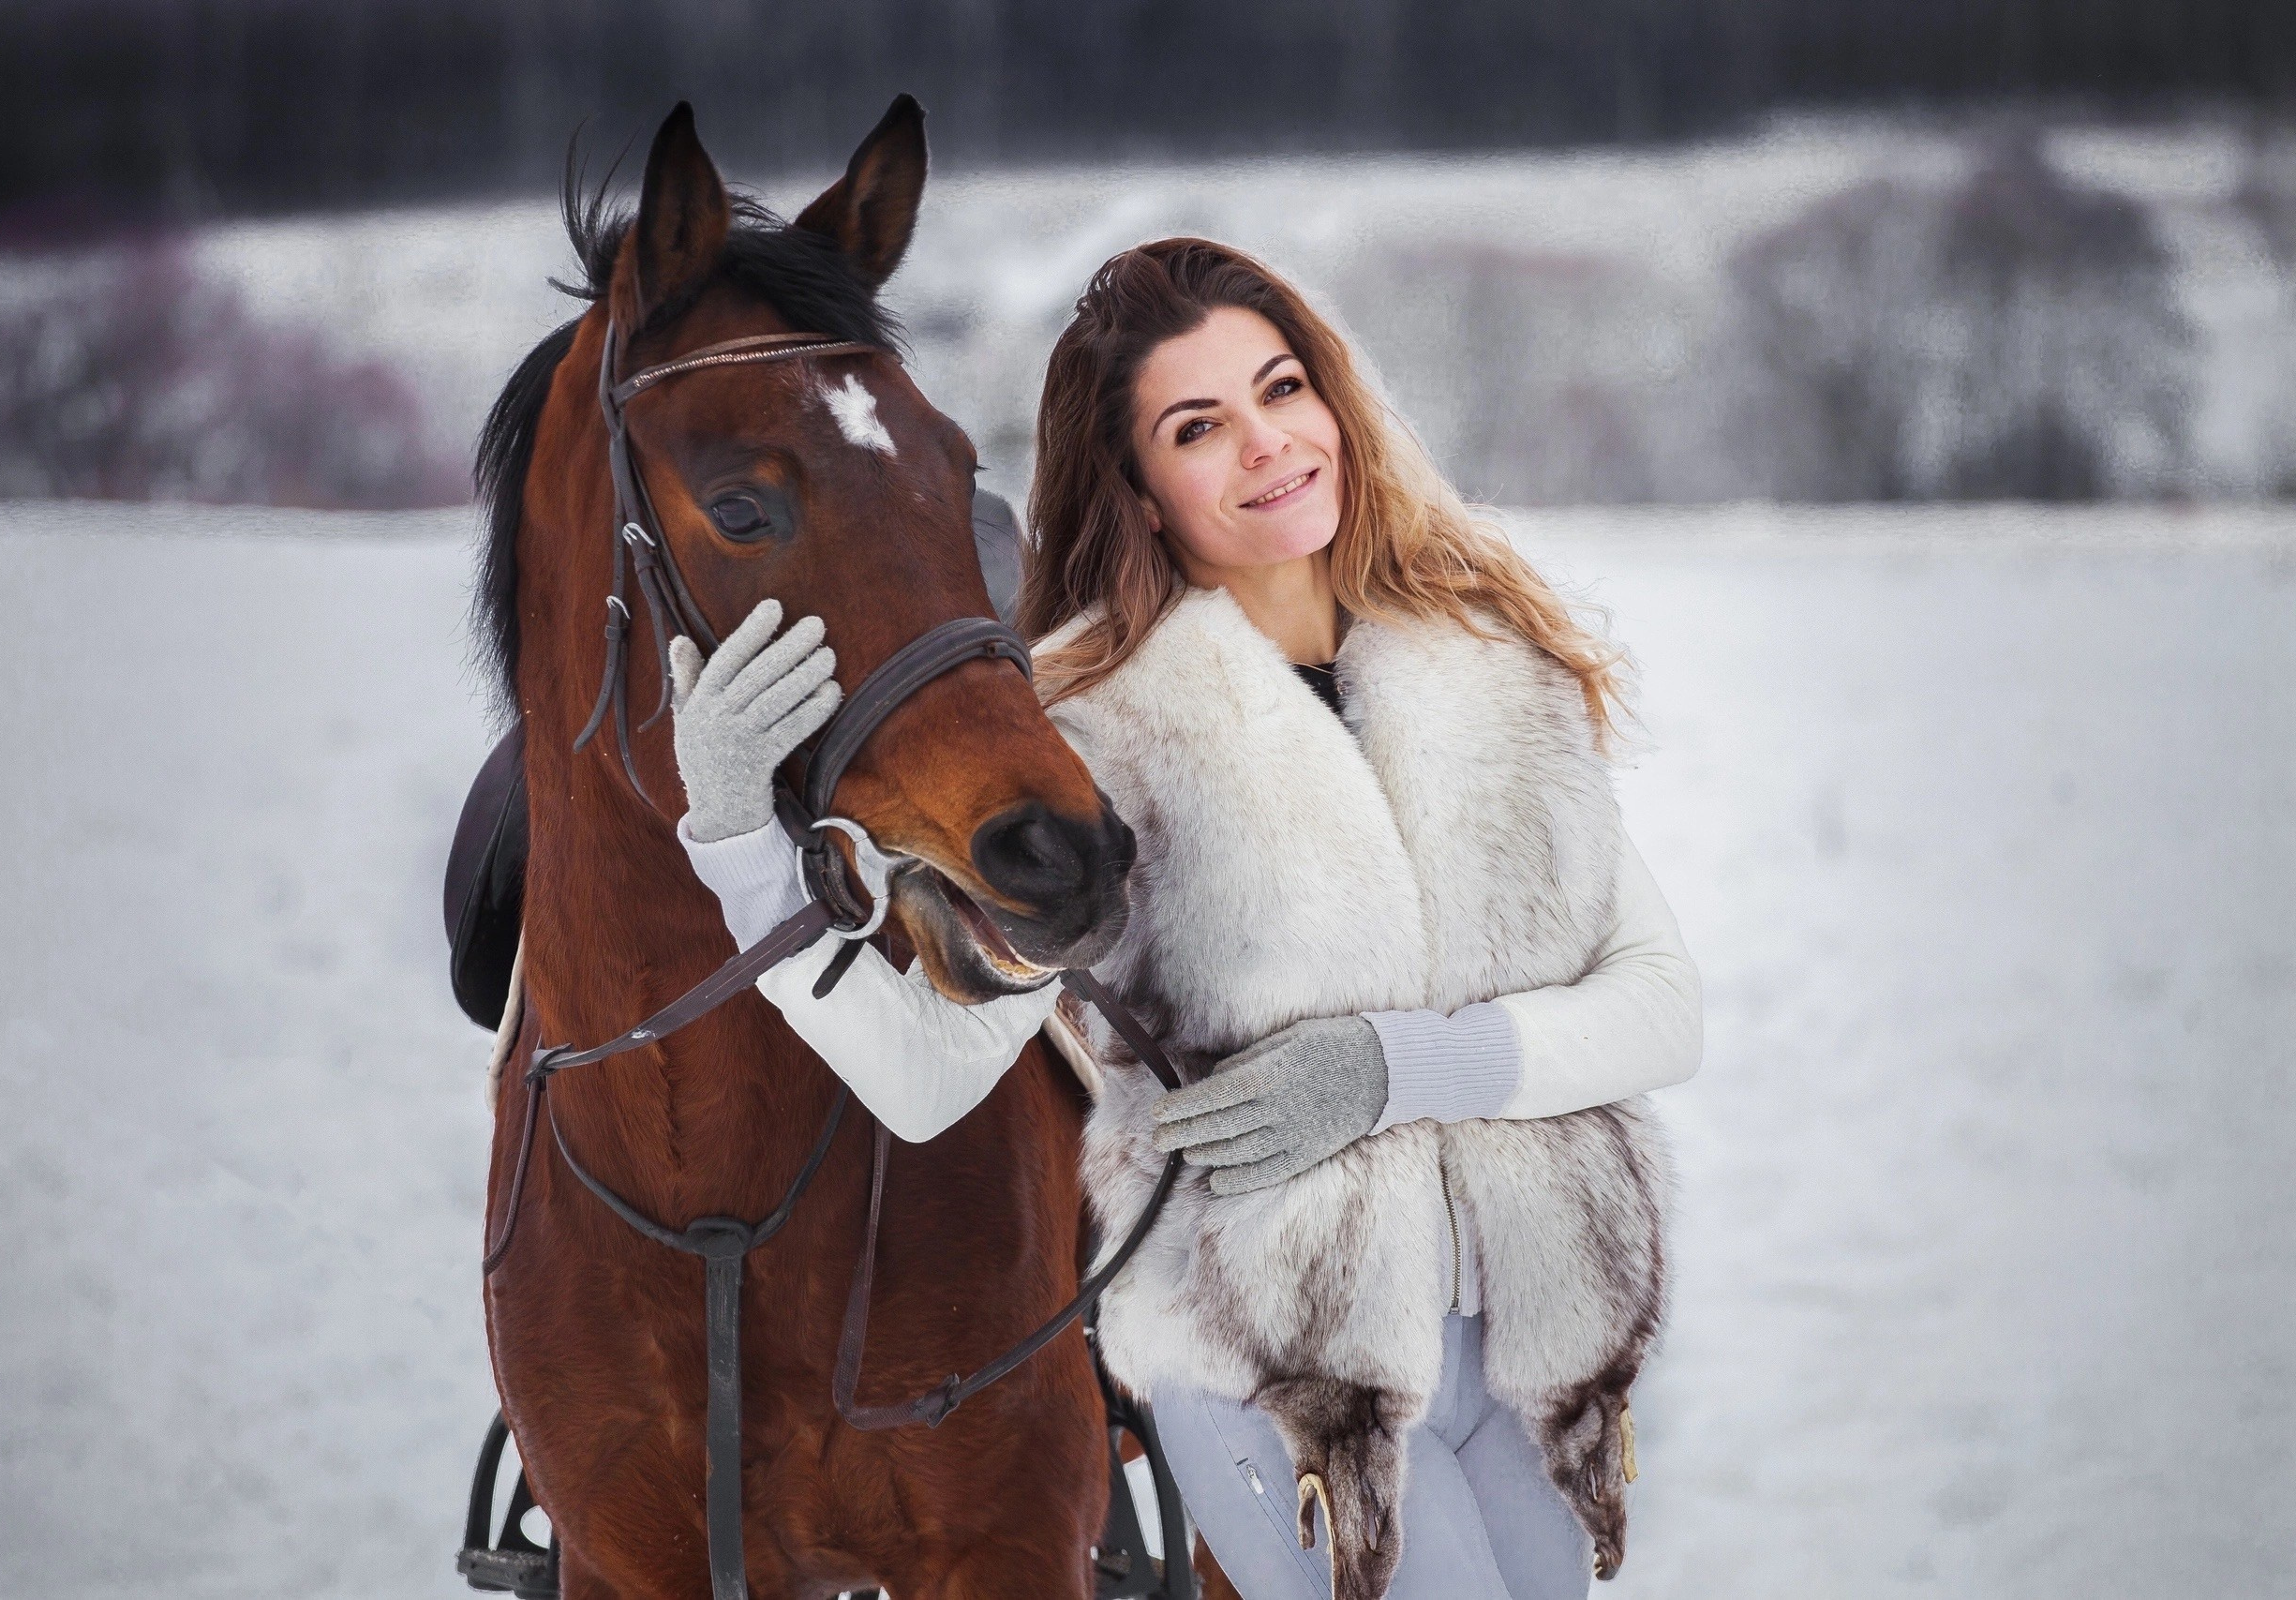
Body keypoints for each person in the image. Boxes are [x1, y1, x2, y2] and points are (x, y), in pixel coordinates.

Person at [667, 238, 1700, 1600]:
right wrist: (743, 842)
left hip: (1538, 1347)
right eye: (1198, 426)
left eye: (1282, 390)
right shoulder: (1097, 740)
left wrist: (1396, 1069)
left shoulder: (1486, 666)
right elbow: (932, 1075)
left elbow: (1657, 1010)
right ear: (1141, 491)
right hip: (1270, 1367)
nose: (1268, 445)